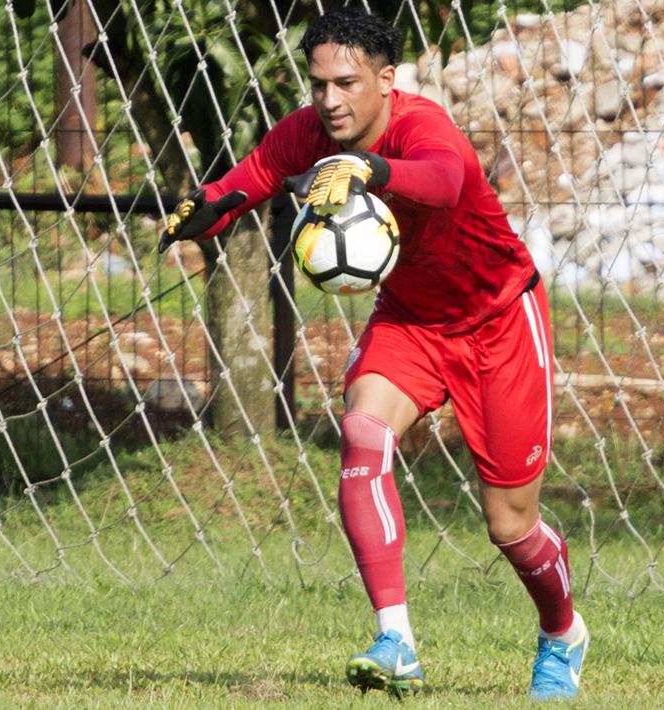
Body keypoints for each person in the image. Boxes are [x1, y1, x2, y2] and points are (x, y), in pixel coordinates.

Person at [159, 7, 587, 701]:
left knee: (510, 526)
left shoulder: (423, 128)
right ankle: (396, 642)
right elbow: (253, 177)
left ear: (386, 80)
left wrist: (368, 167)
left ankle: (562, 633)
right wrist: (204, 207)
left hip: (500, 321)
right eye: (318, 83)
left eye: (346, 84)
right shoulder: (308, 132)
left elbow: (444, 182)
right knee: (363, 432)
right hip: (411, 321)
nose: (329, 100)